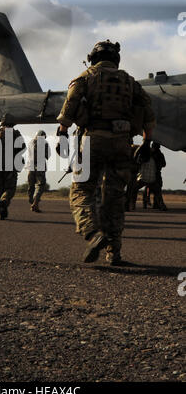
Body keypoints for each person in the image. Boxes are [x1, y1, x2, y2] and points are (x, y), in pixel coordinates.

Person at [56, 39, 156, 265]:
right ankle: (114, 253)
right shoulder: (131, 83)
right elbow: (149, 115)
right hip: (122, 143)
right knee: (115, 198)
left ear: (93, 58)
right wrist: (146, 143)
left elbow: (70, 106)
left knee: (81, 191)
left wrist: (62, 133)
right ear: (116, 59)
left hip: (93, 140)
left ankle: (93, 234)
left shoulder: (84, 77)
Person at [0, 122, 26, 220]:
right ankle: (3, 202)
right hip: (10, 165)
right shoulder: (16, 134)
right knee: (10, 189)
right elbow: (23, 148)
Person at [26, 130, 50, 212]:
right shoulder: (45, 144)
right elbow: (47, 156)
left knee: (31, 185)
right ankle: (35, 203)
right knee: (40, 185)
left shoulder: (30, 143)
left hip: (30, 166)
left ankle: (32, 202)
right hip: (40, 166)